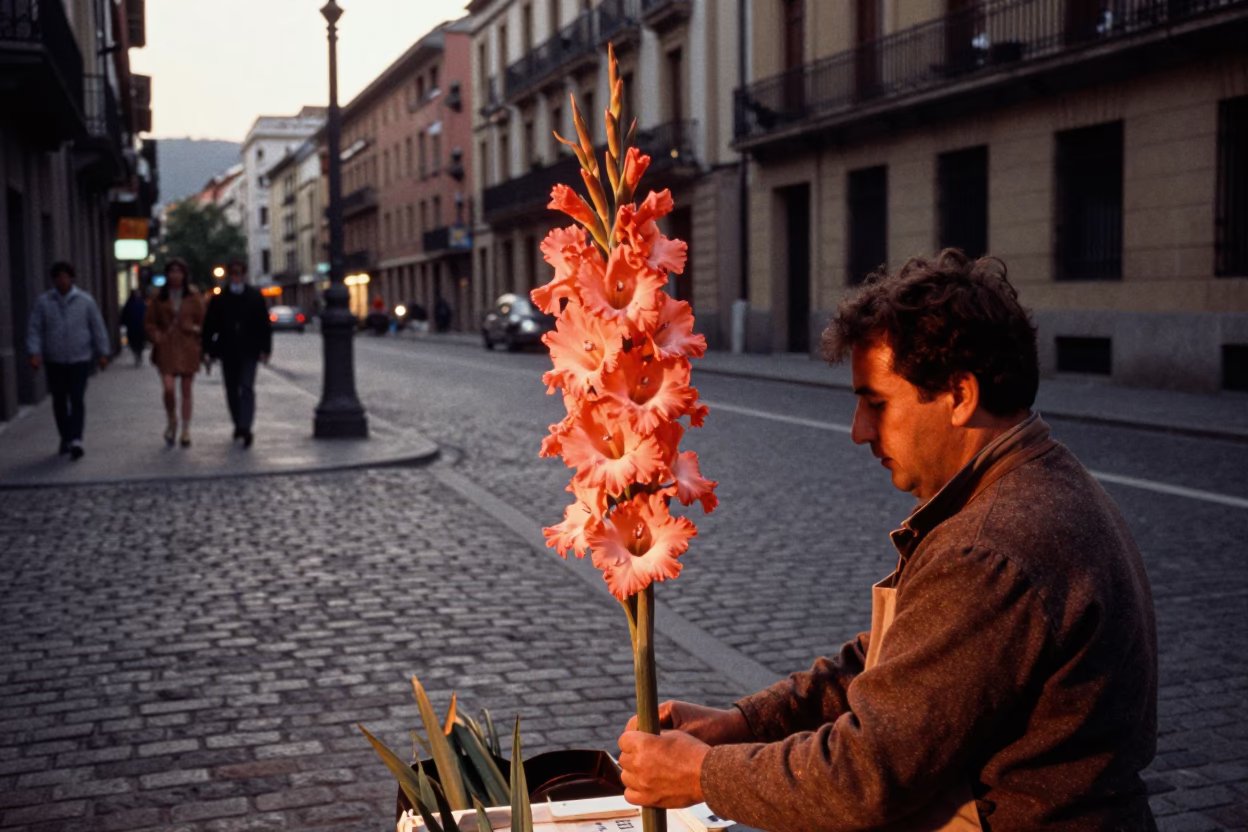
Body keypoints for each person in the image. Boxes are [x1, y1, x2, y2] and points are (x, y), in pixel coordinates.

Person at [616, 250, 1158, 830]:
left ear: (960, 395)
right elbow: (896, 666)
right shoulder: (1037, 480)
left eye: (876, 404)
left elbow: (864, 773)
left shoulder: (990, 546)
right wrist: (743, 723)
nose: (859, 431)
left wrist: (701, 775)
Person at [25, 261, 111, 460]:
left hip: (80, 358)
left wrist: (103, 352)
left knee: (77, 398)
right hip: (55, 359)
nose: (62, 280)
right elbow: (35, 329)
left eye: (66, 276)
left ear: (72, 278)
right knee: (59, 400)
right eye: (58, 277)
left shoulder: (85, 301)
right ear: (54, 279)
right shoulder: (44, 302)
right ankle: (65, 436)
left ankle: (76, 439)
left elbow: (97, 327)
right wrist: (34, 352)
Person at [201, 259, 271, 448]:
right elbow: (210, 326)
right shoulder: (220, 299)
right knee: (232, 390)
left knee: (246, 387)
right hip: (228, 351)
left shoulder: (254, 296)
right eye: (233, 273)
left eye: (239, 273)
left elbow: (264, 325)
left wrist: (266, 349)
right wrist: (207, 350)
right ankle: (238, 422)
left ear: (244, 274)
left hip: (249, 350)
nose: (236, 277)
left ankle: (245, 426)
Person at [144, 258, 206, 447]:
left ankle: (186, 429)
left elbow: (203, 322)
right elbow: (149, 322)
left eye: (179, 272)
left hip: (187, 346)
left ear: (184, 275)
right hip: (167, 347)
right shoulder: (159, 297)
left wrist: (194, 330)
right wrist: (157, 337)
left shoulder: (193, 297)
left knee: (186, 390)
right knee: (169, 389)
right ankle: (172, 419)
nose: (175, 275)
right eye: (172, 271)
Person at [121, 288, 147, 366]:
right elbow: (125, 315)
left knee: (140, 343)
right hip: (132, 327)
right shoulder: (129, 304)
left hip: (140, 327)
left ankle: (139, 355)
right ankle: (137, 355)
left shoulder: (141, 304)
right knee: (134, 343)